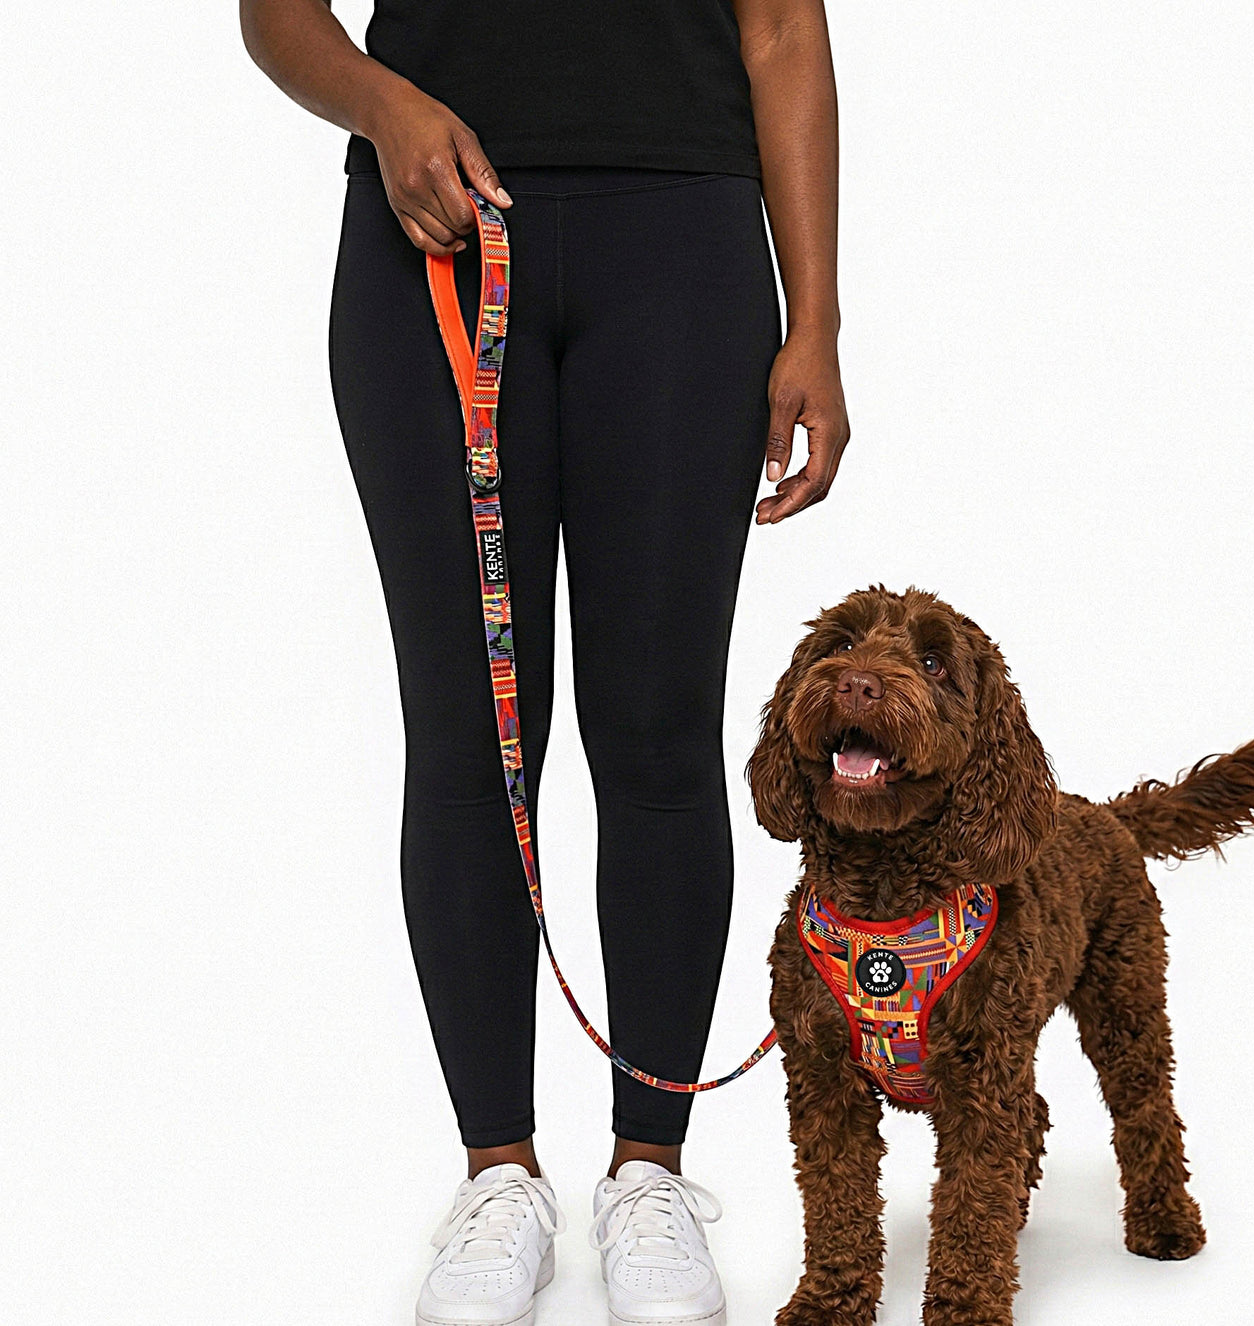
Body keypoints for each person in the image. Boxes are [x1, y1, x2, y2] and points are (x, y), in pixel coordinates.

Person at [241, 1, 848, 1322]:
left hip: (682, 239)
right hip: (429, 237)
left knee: (658, 729)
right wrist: (378, 104)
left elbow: (783, 30)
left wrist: (816, 318)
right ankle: (496, 1171)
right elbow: (274, 13)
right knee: (465, 733)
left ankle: (650, 1168)